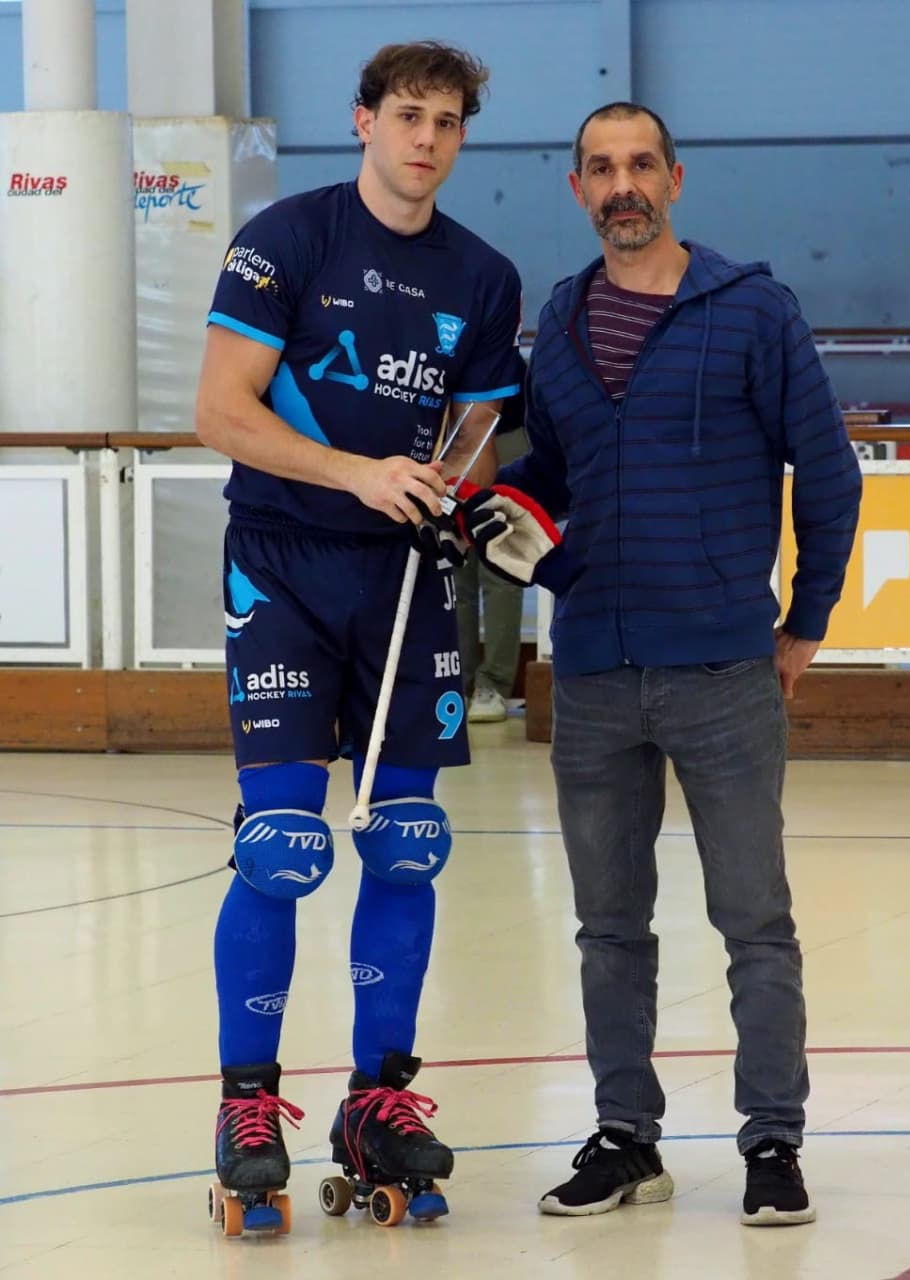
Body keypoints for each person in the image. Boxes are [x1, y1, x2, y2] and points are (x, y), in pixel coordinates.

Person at [496, 102, 862, 1224]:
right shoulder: (557, 322)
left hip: (721, 670)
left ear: (674, 178)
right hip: (596, 671)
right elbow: (548, 478)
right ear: (577, 190)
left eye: (640, 164)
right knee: (608, 925)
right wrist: (508, 528)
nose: (622, 185)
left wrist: (800, 625)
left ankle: (771, 1138)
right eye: (600, 169)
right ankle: (626, 1134)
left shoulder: (751, 309)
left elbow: (828, 472)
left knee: (754, 920)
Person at [193, 40, 523, 1224]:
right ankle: (245, 1103)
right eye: (405, 115)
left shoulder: (483, 276)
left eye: (446, 120)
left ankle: (377, 1098)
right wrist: (352, 472)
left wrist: (464, 486)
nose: (424, 137)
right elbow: (219, 410)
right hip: (283, 564)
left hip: (407, 578)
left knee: (407, 841)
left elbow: (478, 429)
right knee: (281, 840)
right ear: (363, 121)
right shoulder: (288, 238)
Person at [455, 357, 529, 722]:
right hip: (451, 440)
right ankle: (458, 680)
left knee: (500, 570)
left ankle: (494, 685)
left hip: (505, 435)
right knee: (454, 570)